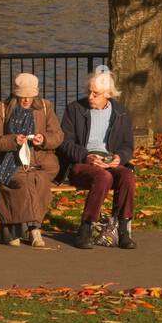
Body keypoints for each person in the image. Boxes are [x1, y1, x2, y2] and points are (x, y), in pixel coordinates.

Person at [58, 69, 137, 249]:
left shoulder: (121, 113)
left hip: (108, 160)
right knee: (103, 177)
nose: (90, 97)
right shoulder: (75, 109)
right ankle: (85, 228)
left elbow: (127, 145)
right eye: (89, 92)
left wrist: (120, 157)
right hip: (81, 162)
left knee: (127, 177)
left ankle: (122, 230)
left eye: (96, 93)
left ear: (108, 94)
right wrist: (87, 156)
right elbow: (65, 143)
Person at [0, 72, 63, 248]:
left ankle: (17, 229)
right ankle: (34, 228)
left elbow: (58, 135)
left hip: (40, 162)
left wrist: (43, 139)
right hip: (12, 163)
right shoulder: (2, 108)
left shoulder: (44, 106)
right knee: (27, 182)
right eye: (22, 97)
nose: (26, 100)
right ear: (15, 94)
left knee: (39, 178)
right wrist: (12, 140)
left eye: (29, 96)